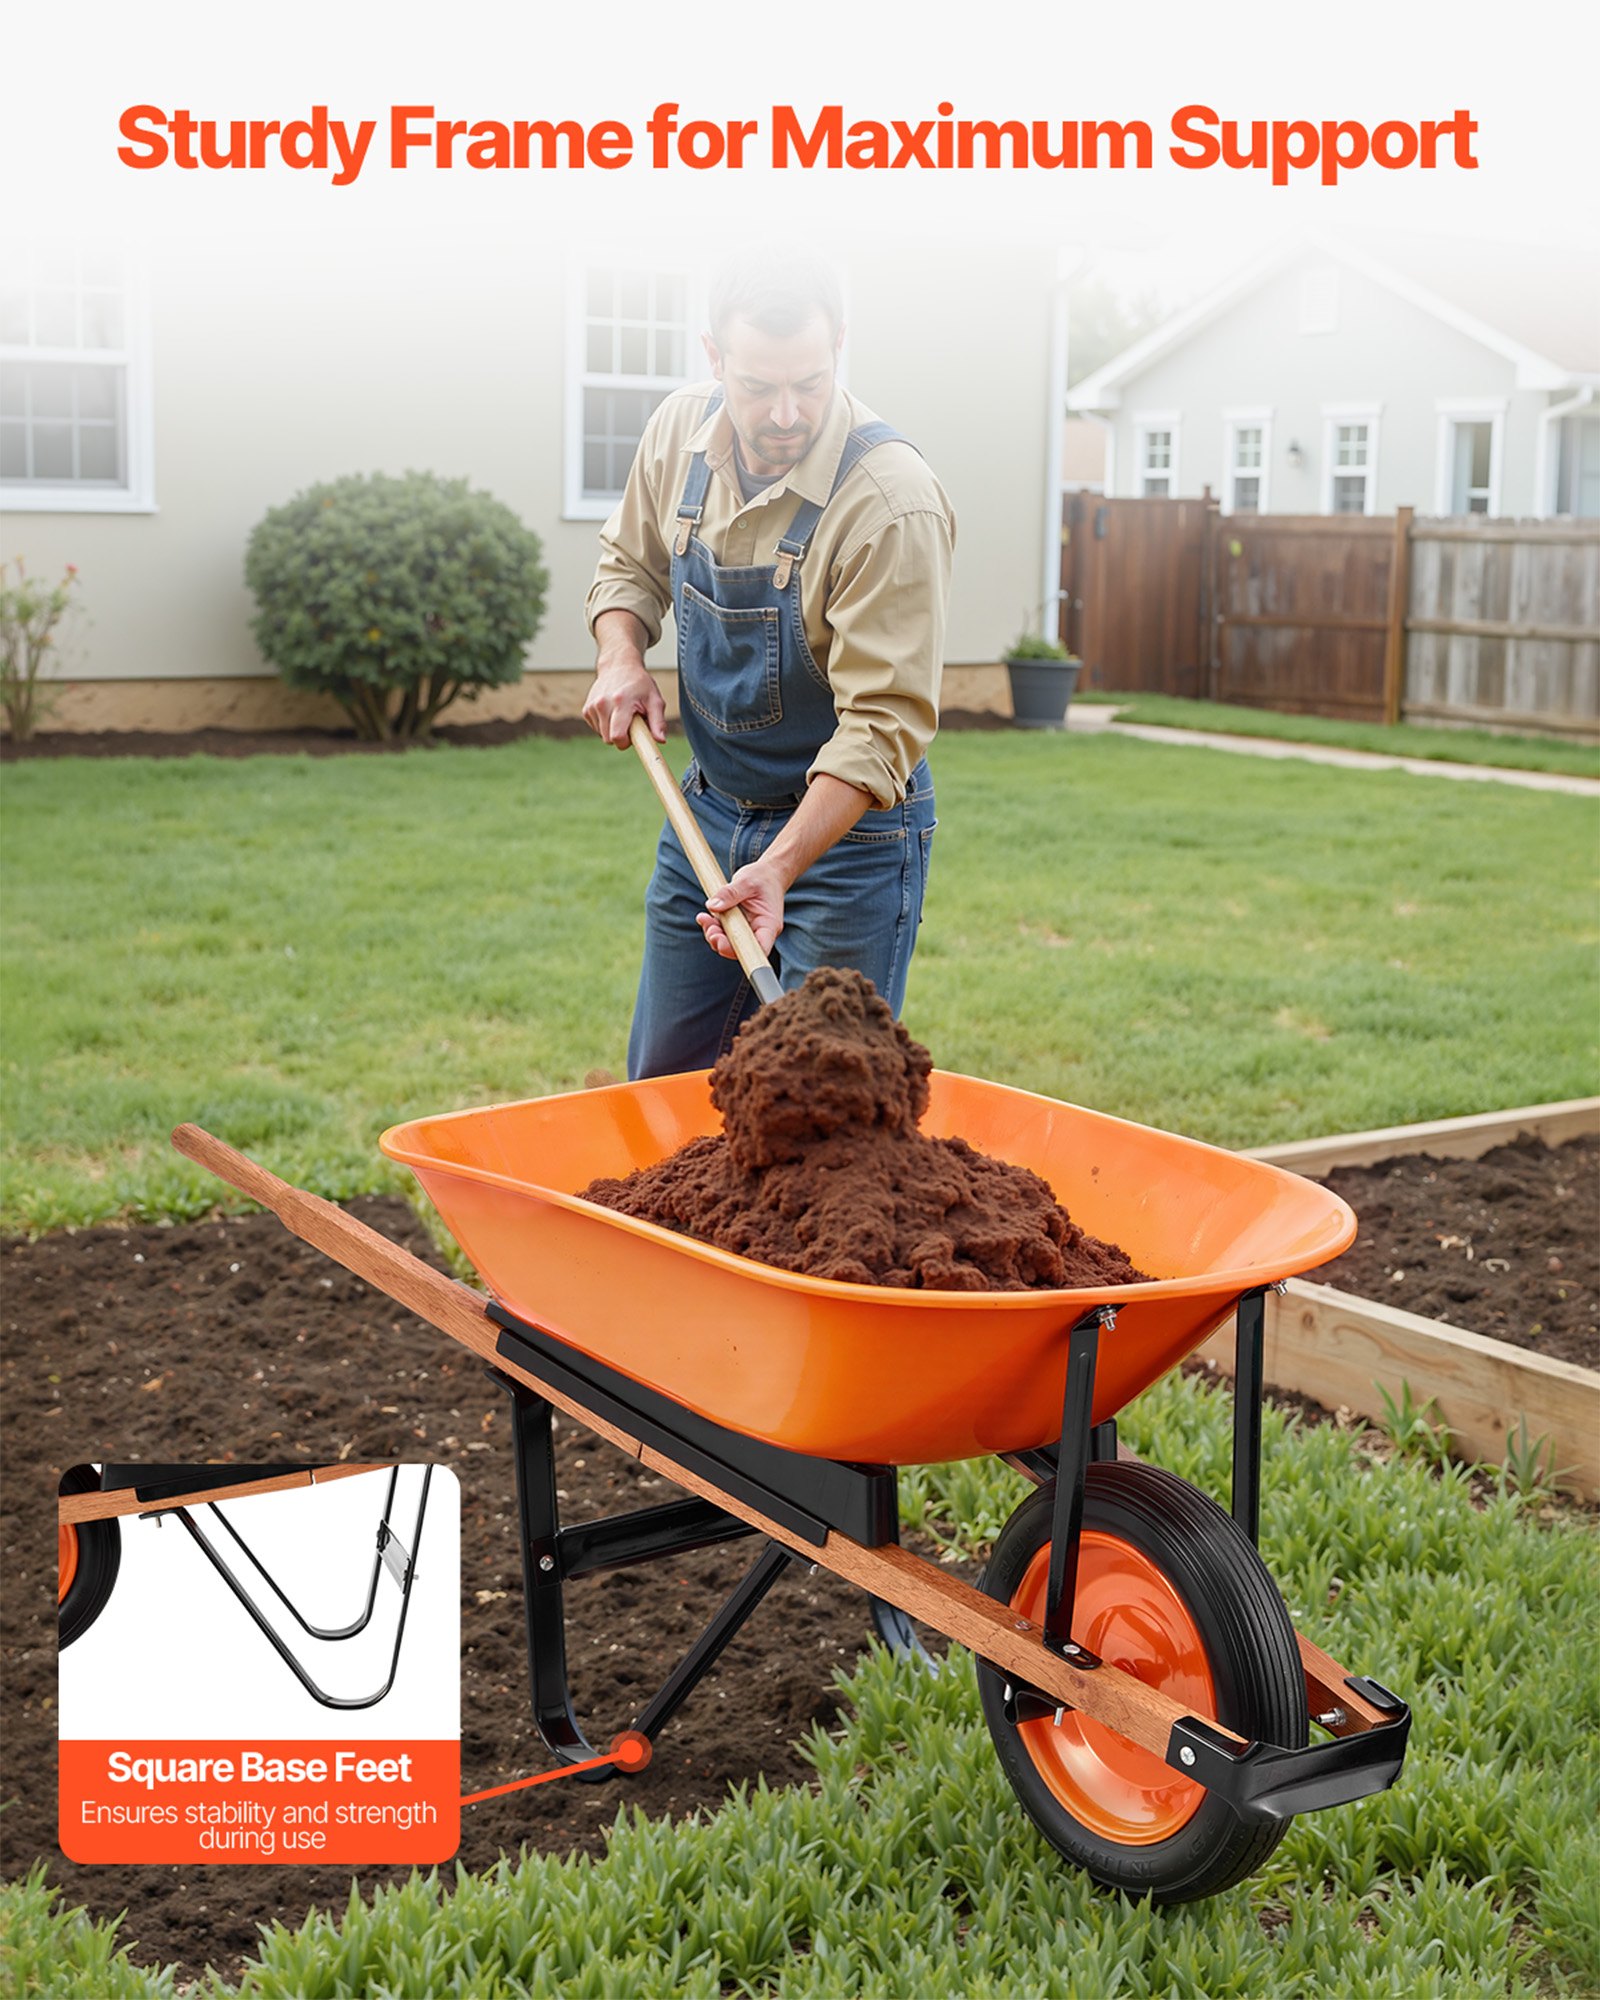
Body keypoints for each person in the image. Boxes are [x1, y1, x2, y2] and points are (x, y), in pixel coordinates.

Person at [583, 249, 956, 1080]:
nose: (787, 413)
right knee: (667, 1089)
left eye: (810, 383)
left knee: (824, 1107)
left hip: (847, 841)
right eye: (758, 388)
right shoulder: (679, 432)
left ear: (839, 349)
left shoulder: (890, 502)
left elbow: (882, 726)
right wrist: (621, 657)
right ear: (714, 358)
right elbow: (627, 568)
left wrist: (781, 865)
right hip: (707, 817)